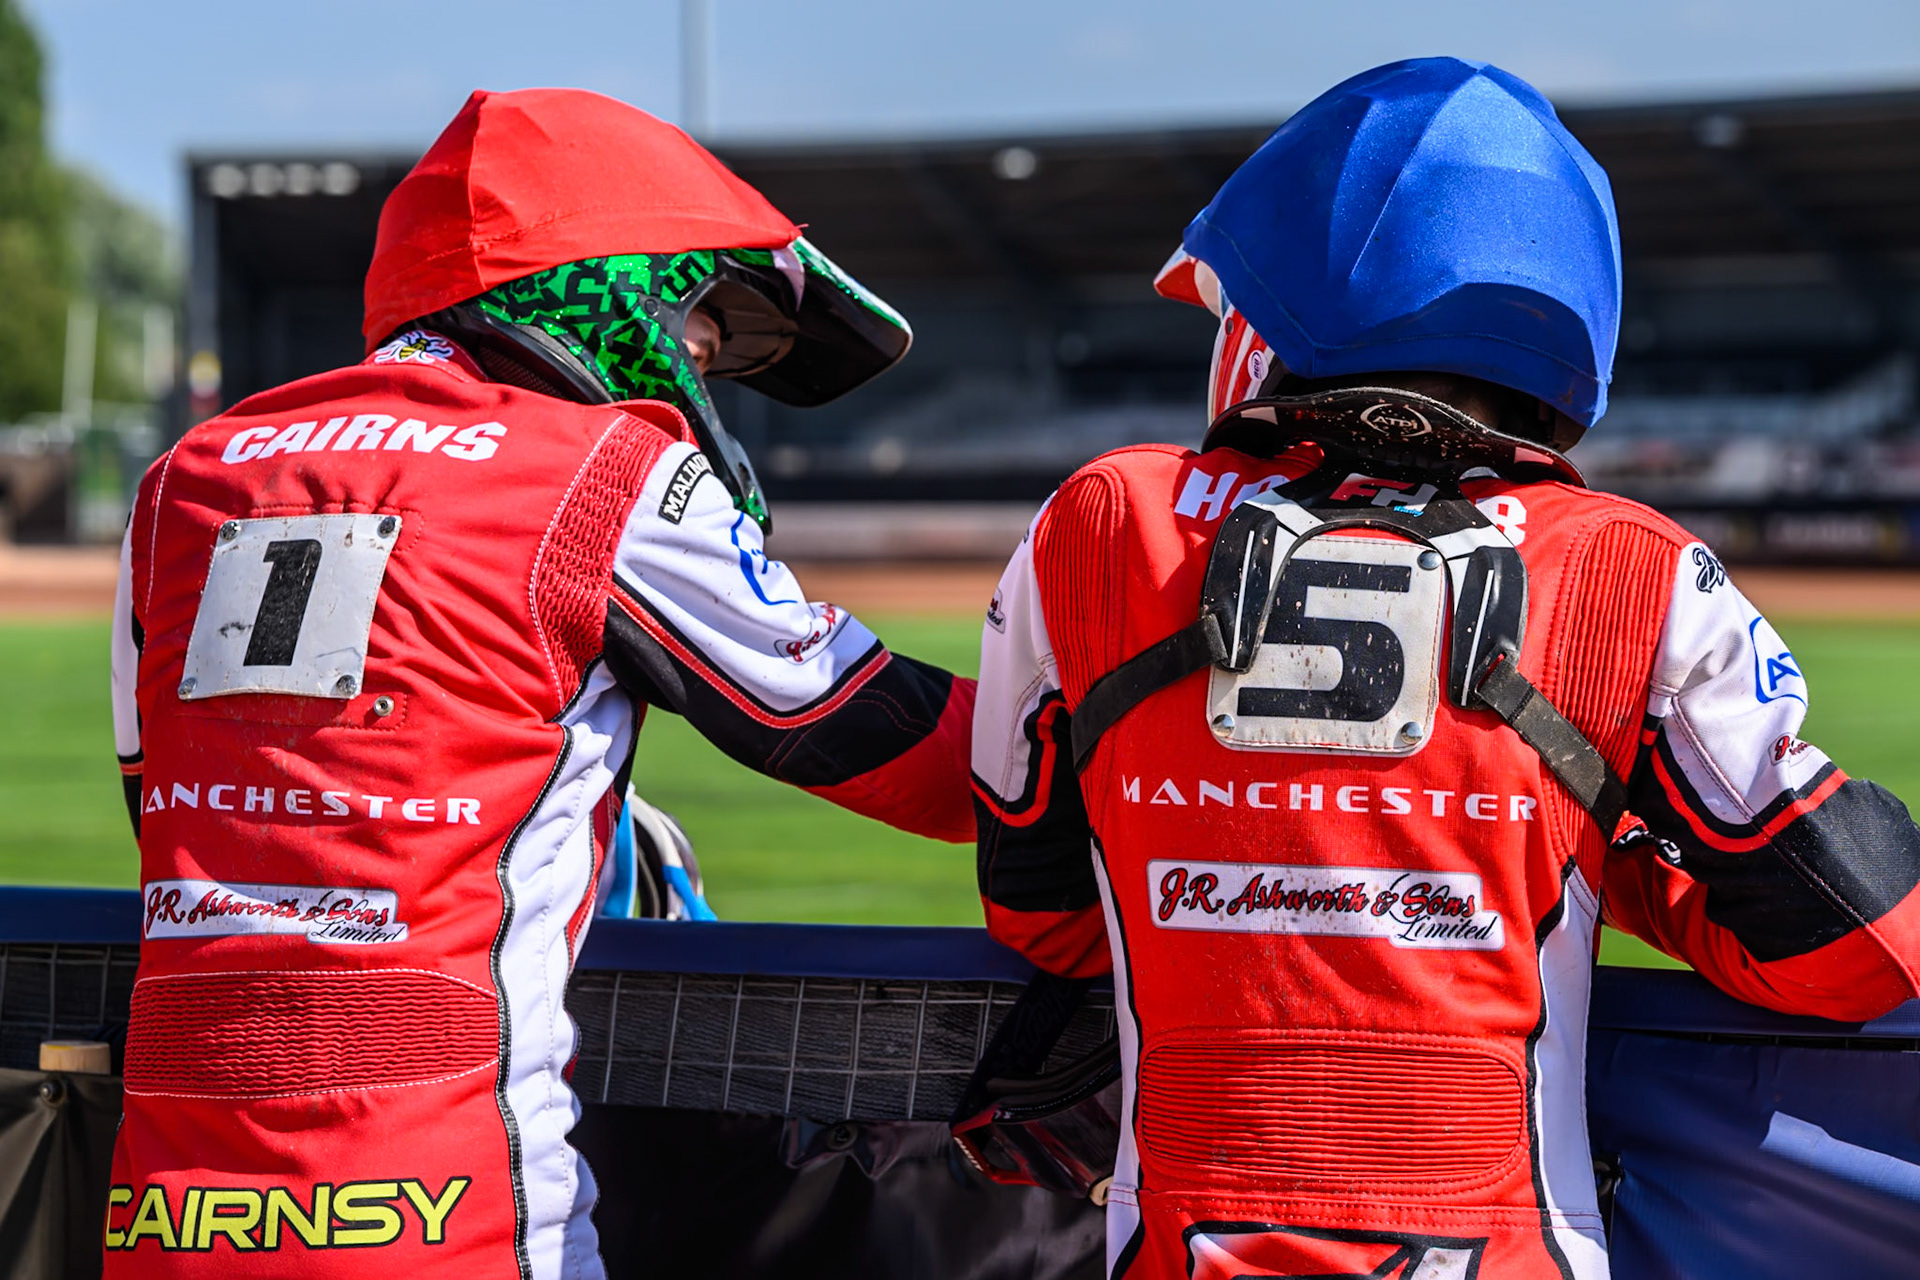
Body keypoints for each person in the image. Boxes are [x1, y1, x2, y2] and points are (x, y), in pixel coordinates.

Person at [970, 58, 1920, 1280]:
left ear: (1273, 319)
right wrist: (1592, 841)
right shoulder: (1633, 565)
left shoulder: (1096, 523)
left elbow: (1042, 915)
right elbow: (1871, 944)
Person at [105, 88, 974, 1277]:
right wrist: (1130, 760)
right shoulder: (603, 469)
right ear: (612, 286)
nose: (702, 365)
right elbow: (860, 727)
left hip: (162, 1222)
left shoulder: (180, 481)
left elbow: (169, 814)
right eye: (704, 326)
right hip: (457, 1217)